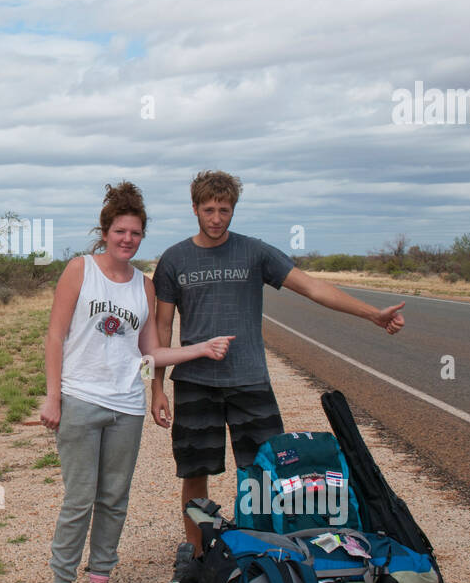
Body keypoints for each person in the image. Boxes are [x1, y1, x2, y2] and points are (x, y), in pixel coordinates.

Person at [150, 170, 407, 552]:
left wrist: (372, 314)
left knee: (266, 473)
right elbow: (162, 327)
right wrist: (157, 387)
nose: (216, 218)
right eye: (209, 209)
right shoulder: (174, 259)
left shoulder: (255, 252)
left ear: (233, 209)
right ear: (194, 209)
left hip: (250, 380)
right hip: (195, 382)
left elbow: (312, 287)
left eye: (224, 209)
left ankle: (266, 552)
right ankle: (197, 557)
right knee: (194, 473)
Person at [39, 182, 234, 583]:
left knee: (114, 499)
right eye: (120, 231)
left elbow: (149, 353)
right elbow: (54, 335)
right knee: (79, 498)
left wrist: (197, 349)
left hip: (124, 406)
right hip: (80, 400)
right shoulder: (79, 270)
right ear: (105, 231)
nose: (128, 239)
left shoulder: (143, 287)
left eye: (136, 233)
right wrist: (53, 396)